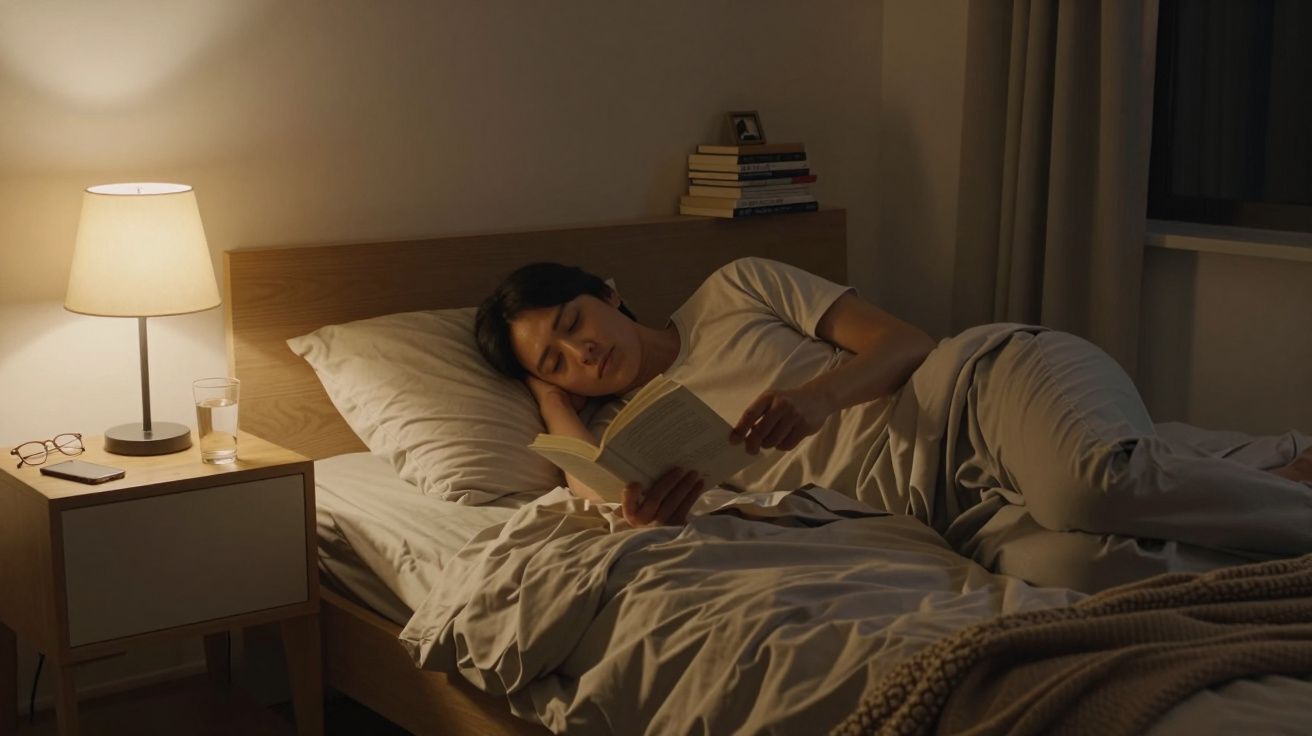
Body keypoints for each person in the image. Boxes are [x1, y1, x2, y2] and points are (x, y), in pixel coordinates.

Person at [475, 258, 1312, 591]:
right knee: (1080, 571)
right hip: (944, 510)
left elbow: (904, 342)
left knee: (1090, 484)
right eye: (555, 359)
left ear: (610, 292)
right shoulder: (639, 432)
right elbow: (587, 474)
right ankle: (1266, 487)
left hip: (976, 389)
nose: (582, 353)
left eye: (577, 321)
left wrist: (822, 398)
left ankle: (1278, 495)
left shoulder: (734, 289)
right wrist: (550, 400)